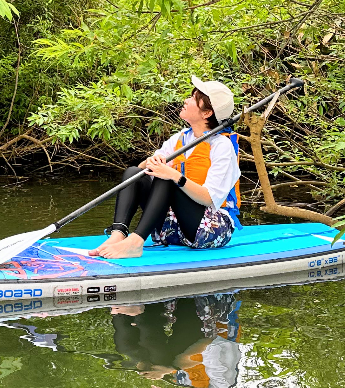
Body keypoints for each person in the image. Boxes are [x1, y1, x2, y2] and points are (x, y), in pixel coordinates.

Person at [90, 75, 241, 259]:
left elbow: (209, 198)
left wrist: (175, 176)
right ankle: (118, 235)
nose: (186, 100)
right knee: (134, 172)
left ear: (207, 113)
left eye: (194, 98)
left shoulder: (222, 146)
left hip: (211, 229)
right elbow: (142, 173)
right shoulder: (181, 138)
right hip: (173, 228)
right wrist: (151, 162)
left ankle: (136, 242)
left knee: (168, 178)